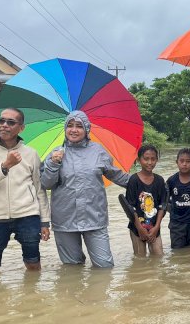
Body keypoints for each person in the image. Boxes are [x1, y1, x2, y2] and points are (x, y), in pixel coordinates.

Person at [40, 111, 130, 267]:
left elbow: (116, 175)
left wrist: (144, 182)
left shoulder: (98, 151)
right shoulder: (55, 153)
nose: (74, 130)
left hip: (94, 216)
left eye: (79, 126)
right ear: (65, 128)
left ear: (87, 129)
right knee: (72, 268)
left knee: (104, 266)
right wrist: (54, 164)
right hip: (64, 219)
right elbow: (45, 184)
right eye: (70, 125)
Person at [0, 108, 50, 272]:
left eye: (11, 122)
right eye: (1, 121)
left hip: (28, 215)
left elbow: (39, 189)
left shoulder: (31, 154)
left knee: (33, 264)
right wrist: (5, 166)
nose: (4, 125)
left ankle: (32, 294)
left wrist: (44, 222)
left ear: (21, 128)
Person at [125, 144, 168, 256]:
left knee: (158, 256)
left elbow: (162, 206)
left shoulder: (159, 181)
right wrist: (139, 228)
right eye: (146, 159)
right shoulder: (133, 180)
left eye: (153, 159)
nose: (149, 162)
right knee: (140, 259)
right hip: (136, 228)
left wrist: (157, 227)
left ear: (157, 160)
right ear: (139, 160)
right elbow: (130, 207)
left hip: (154, 227)